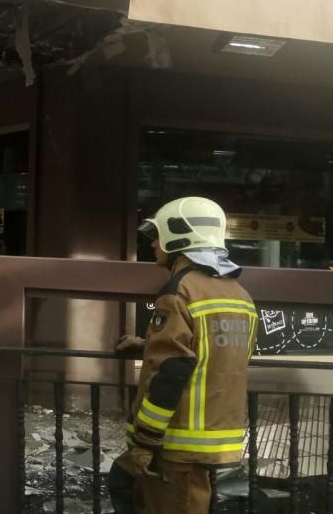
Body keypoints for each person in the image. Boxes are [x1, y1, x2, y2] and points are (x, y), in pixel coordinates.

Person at [109, 197, 258, 514]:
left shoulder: (178, 291)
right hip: (213, 437)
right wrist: (147, 344)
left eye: (158, 237)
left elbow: (173, 370)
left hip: (172, 444)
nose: (153, 245)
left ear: (180, 238)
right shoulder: (240, 295)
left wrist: (144, 444)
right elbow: (213, 353)